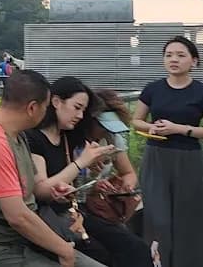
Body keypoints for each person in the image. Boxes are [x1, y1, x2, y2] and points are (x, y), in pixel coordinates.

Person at [0, 70, 105, 267]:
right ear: (32, 108)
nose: (47, 112)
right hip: (1, 245)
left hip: (24, 237)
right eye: (45, 107)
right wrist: (63, 249)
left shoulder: (16, 135)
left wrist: (55, 191)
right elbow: (18, 216)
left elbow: (30, 190)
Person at [26, 77, 151, 267]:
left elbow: (127, 172)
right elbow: (42, 191)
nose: (80, 115)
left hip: (74, 214)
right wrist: (81, 163)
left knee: (135, 248)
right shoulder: (35, 138)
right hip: (53, 221)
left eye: (83, 110)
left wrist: (92, 176)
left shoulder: (67, 135)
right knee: (110, 255)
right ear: (56, 102)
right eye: (77, 108)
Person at [131, 35, 203, 267]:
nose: (173, 59)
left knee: (188, 217)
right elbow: (136, 121)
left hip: (188, 158)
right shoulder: (153, 89)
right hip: (156, 157)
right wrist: (151, 127)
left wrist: (181, 129)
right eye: (168, 55)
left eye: (181, 55)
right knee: (158, 218)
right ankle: (157, 262)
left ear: (194, 61)